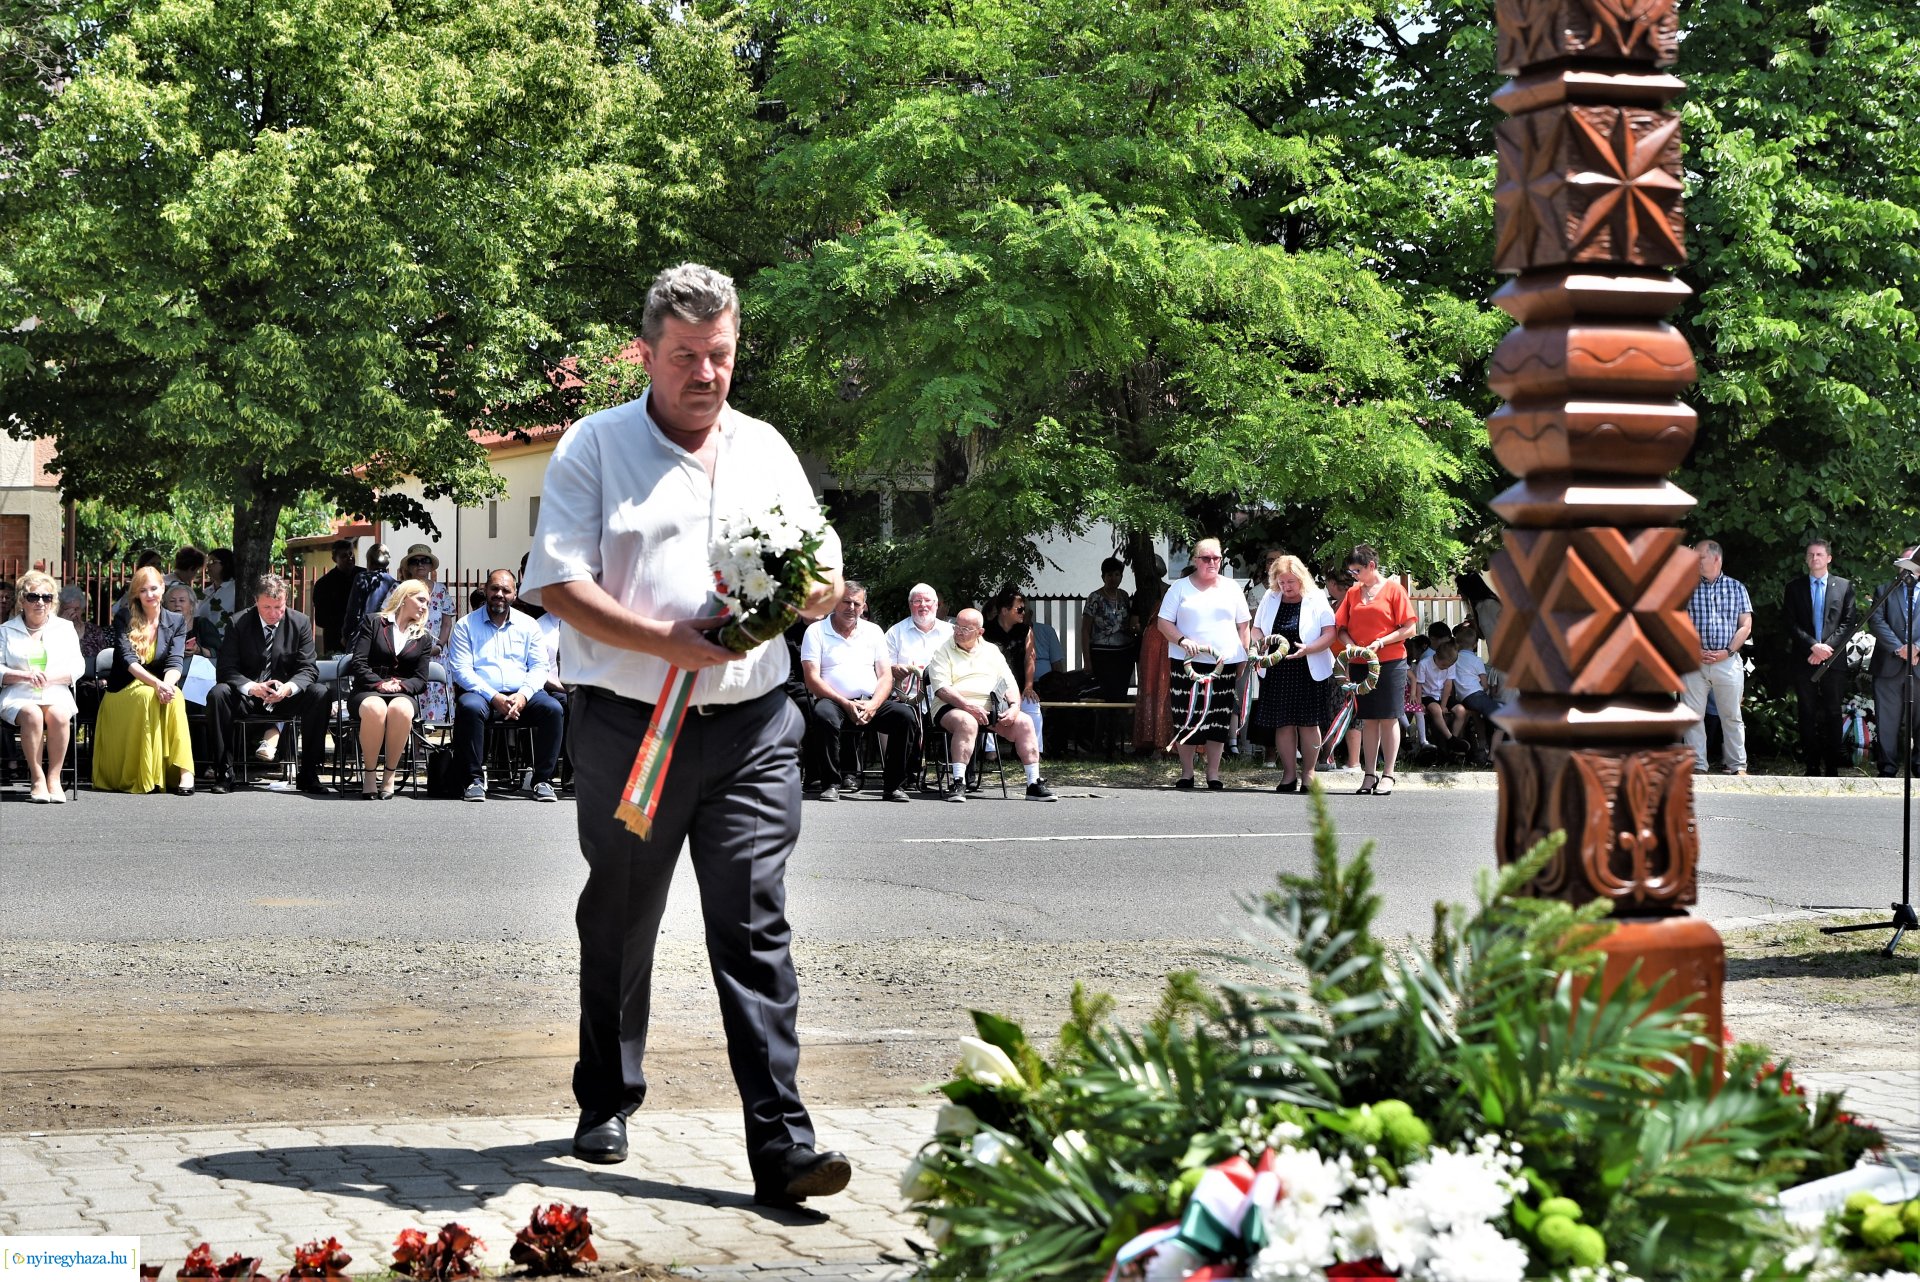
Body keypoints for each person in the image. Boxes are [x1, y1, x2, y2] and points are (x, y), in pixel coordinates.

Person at [522, 262, 852, 1206]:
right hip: (628, 729)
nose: (705, 374)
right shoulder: (593, 446)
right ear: (646, 354)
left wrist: (816, 591)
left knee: (753, 924)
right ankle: (607, 1096)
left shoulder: (767, 449)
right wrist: (666, 640)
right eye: (685, 358)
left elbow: (821, 564)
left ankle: (784, 1145)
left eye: (720, 356)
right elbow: (559, 584)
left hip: (752, 728)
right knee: (622, 917)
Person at [207, 574, 331, 794]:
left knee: (320, 693)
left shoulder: (299, 622)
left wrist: (288, 688)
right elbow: (226, 669)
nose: (274, 613)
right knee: (219, 694)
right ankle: (224, 773)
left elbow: (309, 668)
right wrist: (251, 686)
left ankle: (309, 773)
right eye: (267, 607)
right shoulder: (238, 623)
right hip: (249, 697)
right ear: (256, 601)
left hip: (285, 697)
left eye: (279, 607)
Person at [446, 568, 562, 802]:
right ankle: (474, 781)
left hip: (522, 693)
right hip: (481, 694)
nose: (499, 594)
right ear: (485, 590)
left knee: (553, 709)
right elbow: (461, 670)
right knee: (468, 706)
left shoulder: (529, 625)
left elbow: (539, 666)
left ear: (514, 594)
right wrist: (493, 697)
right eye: (494, 589)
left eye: (505, 590)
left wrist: (523, 696)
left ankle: (542, 781)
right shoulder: (465, 625)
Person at [799, 581, 917, 802]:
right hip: (833, 701)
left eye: (856, 603)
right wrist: (844, 703)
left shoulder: (873, 631)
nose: (850, 608)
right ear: (834, 602)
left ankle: (893, 786)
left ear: (864, 607)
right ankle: (831, 784)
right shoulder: (816, 631)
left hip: (870, 701)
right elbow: (811, 678)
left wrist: (873, 704)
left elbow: (885, 676)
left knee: (906, 716)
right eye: (845, 602)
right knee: (823, 715)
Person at [926, 608, 1055, 801]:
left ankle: (1033, 783)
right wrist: (969, 707)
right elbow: (942, 689)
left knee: (1025, 722)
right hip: (952, 706)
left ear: (980, 632)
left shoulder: (992, 651)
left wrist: (1013, 707)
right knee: (967, 722)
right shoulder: (943, 650)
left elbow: (1009, 683)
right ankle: (958, 782)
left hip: (990, 706)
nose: (958, 632)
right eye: (957, 627)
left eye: (965, 628)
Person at [1155, 537, 1251, 789]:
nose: (1212, 563)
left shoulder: (1231, 588)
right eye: (1206, 558)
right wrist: (1182, 640)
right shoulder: (1180, 588)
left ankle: (1213, 773)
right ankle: (1187, 773)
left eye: (1216, 558)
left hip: (1224, 663)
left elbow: (1244, 626)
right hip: (1186, 662)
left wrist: (1243, 656)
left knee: (1218, 718)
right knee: (1186, 716)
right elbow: (1163, 623)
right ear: (1195, 560)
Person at [93, 566, 195, 795]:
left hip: (159, 685)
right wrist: (157, 685)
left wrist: (167, 685)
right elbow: (128, 661)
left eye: (153, 588)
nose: (149, 595)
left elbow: (176, 661)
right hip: (124, 689)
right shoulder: (124, 617)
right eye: (143, 590)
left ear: (163, 588)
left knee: (177, 696)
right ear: (136, 594)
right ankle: (147, 775)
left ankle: (185, 773)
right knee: (148, 695)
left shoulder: (176, 621)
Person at [1333, 544, 1418, 796]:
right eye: (1351, 572)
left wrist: (1381, 642)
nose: (1354, 576)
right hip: (1361, 663)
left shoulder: (1394, 589)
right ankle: (1369, 774)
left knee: (1389, 716)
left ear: (1372, 566)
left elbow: (1409, 628)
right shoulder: (1353, 593)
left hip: (1390, 661)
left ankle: (1389, 774)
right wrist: (1352, 649)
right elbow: (1341, 627)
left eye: (1357, 570)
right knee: (1368, 718)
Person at [1250, 553, 1337, 793]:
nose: (1286, 587)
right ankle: (1288, 774)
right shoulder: (1270, 597)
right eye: (1281, 582)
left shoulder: (1317, 597)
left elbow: (1330, 633)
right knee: (1283, 723)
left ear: (1301, 578)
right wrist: (1261, 645)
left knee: (1308, 723)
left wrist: (1309, 649)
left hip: (1308, 667)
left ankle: (1309, 773)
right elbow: (1256, 629)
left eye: (1290, 582)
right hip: (1277, 668)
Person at [1, 570, 84, 802]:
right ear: (21, 600)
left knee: (59, 714)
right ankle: (37, 779)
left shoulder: (64, 629)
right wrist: (23, 676)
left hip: (55, 690)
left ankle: (54, 778)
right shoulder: (5, 630)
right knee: (32, 714)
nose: (40, 602)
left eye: (46, 597)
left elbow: (77, 666)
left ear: (52, 601)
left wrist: (52, 678)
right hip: (19, 693)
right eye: (33, 597)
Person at [348, 578, 433, 799]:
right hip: (369, 688)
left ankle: (389, 776)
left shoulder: (423, 637)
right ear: (405, 598)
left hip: (402, 692)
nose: (425, 606)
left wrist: (401, 686)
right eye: (421, 599)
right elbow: (359, 663)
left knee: (401, 710)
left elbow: (420, 679)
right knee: (375, 708)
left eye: (428, 602)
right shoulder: (374, 622)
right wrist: (379, 683)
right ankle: (369, 775)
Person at [1784, 538, 1856, 777]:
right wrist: (1813, 646)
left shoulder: (1844, 586)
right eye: (1811, 555)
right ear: (1806, 559)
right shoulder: (1794, 587)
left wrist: (1826, 649)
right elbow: (1790, 623)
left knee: (1833, 712)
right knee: (1806, 711)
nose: (1815, 558)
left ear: (1829, 558)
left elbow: (1848, 623)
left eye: (1819, 555)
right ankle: (1812, 765)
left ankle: (1833, 765)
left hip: (1833, 660)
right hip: (1804, 659)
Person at [1681, 539, 1752, 776]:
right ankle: (1697, 765)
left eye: (1699, 557)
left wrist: (1728, 651)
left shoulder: (1736, 588)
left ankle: (1737, 765)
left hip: (1727, 662)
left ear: (1716, 558)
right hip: (1694, 662)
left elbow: (1745, 625)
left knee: (1732, 716)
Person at [1868, 545, 1920, 778]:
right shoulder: (1884, 590)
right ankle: (1888, 768)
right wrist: (1900, 648)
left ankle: (1918, 766)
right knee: (1887, 722)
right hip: (1889, 665)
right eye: (1903, 563)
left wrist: (1917, 648)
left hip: (1919, 664)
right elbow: (1877, 622)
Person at [401, 543, 456, 725]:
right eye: (415, 561)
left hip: (437, 654)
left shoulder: (441, 591)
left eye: (425, 561)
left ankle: (436, 749)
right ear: (408, 566)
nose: (420, 565)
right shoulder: (402, 591)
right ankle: (416, 749)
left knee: (438, 706)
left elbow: (447, 623)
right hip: (411, 654)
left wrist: (439, 645)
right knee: (413, 707)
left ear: (431, 566)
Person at [984, 587, 1042, 754]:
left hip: (1019, 684)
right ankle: (990, 750)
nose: (1024, 612)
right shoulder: (985, 631)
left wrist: (1029, 686)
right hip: (992, 687)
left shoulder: (1026, 631)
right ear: (1004, 610)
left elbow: (1030, 658)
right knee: (985, 703)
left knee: (1033, 706)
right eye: (1019, 609)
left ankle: (1033, 750)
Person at [1131, 555, 1173, 752]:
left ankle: (1157, 739)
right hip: (1159, 642)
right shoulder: (1166, 591)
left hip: (1158, 641)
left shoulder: (1161, 592)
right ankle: (1157, 739)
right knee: (1156, 687)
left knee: (1157, 686)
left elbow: (1135, 623)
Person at [1081, 557, 1136, 702]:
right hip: (1102, 654)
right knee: (1106, 694)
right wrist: (1087, 660)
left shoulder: (1124, 596)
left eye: (1117, 574)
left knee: (1121, 693)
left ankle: (1119, 723)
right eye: (1109, 575)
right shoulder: (1094, 598)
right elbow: (1085, 629)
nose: (1113, 578)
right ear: (1103, 577)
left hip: (1124, 654)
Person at [884, 582, 952, 698]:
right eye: (917, 601)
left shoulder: (951, 632)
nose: (923, 605)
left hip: (945, 699)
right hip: (906, 699)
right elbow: (884, 671)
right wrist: (893, 669)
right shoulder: (894, 633)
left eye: (927, 600)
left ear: (936, 605)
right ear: (910, 605)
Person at [310, 538, 358, 654]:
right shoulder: (324, 584)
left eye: (351, 554)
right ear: (334, 559)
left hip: (362, 637)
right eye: (344, 556)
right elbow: (321, 619)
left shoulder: (365, 576)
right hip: (335, 639)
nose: (349, 558)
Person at [196, 548, 239, 642]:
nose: (208, 565)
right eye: (207, 562)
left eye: (212, 562)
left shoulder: (236, 590)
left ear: (225, 563)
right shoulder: (206, 592)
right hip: (205, 642)